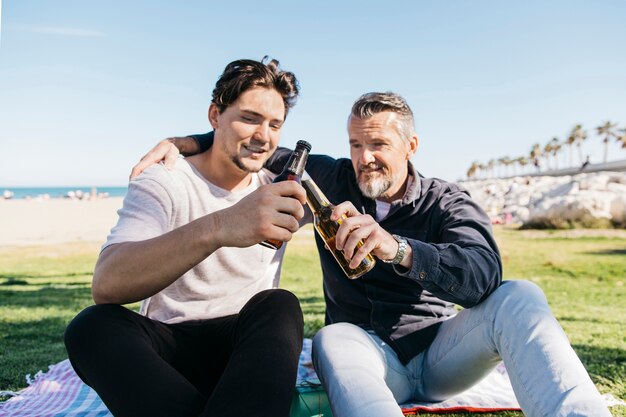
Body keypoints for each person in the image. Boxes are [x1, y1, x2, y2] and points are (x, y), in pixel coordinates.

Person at [134, 92, 610, 417]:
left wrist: (398, 249)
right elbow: (255, 148)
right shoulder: (331, 177)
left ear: (411, 146)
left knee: (519, 295)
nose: (365, 158)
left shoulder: (446, 201)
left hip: (441, 354)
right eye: (356, 144)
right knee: (331, 337)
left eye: (379, 144)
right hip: (362, 353)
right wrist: (183, 143)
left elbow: (484, 276)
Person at [64, 57, 307, 417]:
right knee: (90, 327)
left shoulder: (283, 189)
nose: (263, 136)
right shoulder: (165, 180)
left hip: (246, 357)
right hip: (169, 353)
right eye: (249, 118)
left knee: (279, 304)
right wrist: (220, 226)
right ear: (215, 116)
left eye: (275, 124)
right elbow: (108, 284)